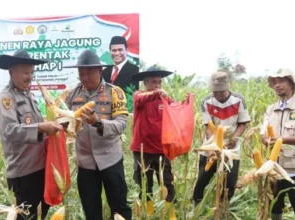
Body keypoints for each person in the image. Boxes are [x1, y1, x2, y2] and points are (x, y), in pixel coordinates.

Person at [0, 50, 62, 220]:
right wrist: (42, 127)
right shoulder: (5, 99)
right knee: (26, 217)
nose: (29, 77)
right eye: (25, 73)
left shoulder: (29, 95)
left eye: (31, 73)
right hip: (24, 172)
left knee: (40, 213)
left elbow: (36, 124)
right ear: (11, 72)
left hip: (41, 167)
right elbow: (10, 131)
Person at [64, 49, 132, 220]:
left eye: (89, 73)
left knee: (119, 208)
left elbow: (121, 124)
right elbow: (65, 119)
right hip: (85, 163)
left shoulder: (114, 92)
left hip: (110, 160)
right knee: (91, 211)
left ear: (100, 71)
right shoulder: (72, 95)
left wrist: (98, 122)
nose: (85, 78)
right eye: (81, 73)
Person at [129, 65, 188, 219]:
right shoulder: (139, 96)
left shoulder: (164, 98)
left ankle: (170, 215)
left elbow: (175, 108)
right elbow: (142, 98)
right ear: (146, 83)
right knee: (145, 184)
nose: (157, 85)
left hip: (162, 148)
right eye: (154, 82)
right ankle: (148, 215)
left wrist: (185, 104)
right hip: (143, 150)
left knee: (167, 182)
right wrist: (155, 93)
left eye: (159, 82)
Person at [192, 71, 251, 208]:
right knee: (202, 178)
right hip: (212, 144)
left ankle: (224, 208)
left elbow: (243, 123)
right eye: (215, 91)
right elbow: (208, 127)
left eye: (221, 91)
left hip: (232, 147)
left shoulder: (238, 100)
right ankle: (197, 207)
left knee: (229, 182)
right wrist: (214, 147)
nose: (217, 94)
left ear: (227, 87)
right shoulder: (206, 101)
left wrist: (235, 138)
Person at [260, 68, 295, 220]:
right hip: (274, 168)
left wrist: (282, 140)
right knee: (274, 206)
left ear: (291, 84)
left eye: (281, 81)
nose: (277, 85)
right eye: (275, 82)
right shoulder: (271, 109)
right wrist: (265, 139)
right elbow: (263, 133)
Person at [102, 36, 139, 113]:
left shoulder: (135, 71)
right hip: (106, 114)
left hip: (126, 114)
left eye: (120, 50)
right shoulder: (104, 72)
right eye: (114, 50)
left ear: (127, 51)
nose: (117, 53)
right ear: (110, 52)